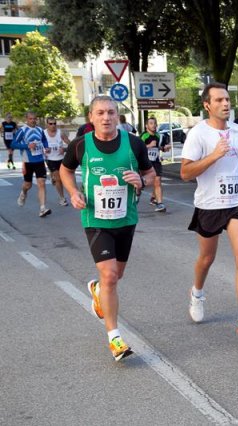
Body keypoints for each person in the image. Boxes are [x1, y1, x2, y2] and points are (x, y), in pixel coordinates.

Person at [59, 95, 155, 361]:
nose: (106, 118)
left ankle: (98, 291)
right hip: (95, 219)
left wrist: (140, 181)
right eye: (100, 113)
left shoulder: (134, 143)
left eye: (111, 112)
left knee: (116, 276)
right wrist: (73, 192)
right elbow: (65, 171)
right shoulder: (81, 145)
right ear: (91, 117)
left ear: (118, 116)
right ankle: (115, 338)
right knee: (110, 275)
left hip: (126, 219)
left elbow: (149, 174)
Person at [180, 82, 238, 335]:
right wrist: (214, 155)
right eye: (218, 100)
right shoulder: (198, 134)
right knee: (207, 258)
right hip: (209, 204)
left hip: (237, 201)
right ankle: (197, 292)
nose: (225, 104)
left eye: (227, 99)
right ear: (207, 105)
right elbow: (185, 172)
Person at [11, 111, 52, 217]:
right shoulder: (22, 130)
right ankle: (23, 193)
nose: (33, 120)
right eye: (31, 119)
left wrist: (46, 147)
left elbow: (44, 140)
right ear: (27, 119)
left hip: (39, 160)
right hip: (28, 161)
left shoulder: (39, 130)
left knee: (41, 183)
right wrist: (27, 146)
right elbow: (13, 144)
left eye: (34, 118)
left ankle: (42, 208)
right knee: (27, 185)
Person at [141, 117, 169, 212]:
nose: (153, 125)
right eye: (151, 123)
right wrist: (148, 146)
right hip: (144, 162)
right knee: (141, 184)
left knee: (157, 181)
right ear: (146, 126)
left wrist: (165, 148)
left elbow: (160, 148)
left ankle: (160, 203)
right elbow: (138, 149)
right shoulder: (143, 136)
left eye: (155, 123)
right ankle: (141, 196)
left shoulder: (159, 136)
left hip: (156, 162)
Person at [43, 117, 70, 206]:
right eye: (50, 124)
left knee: (64, 178)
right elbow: (38, 146)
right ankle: (62, 198)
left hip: (61, 159)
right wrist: (45, 150)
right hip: (50, 159)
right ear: (47, 124)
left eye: (54, 123)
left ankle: (52, 176)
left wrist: (64, 149)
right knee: (58, 179)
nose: (53, 125)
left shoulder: (60, 133)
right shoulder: (43, 134)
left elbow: (71, 145)